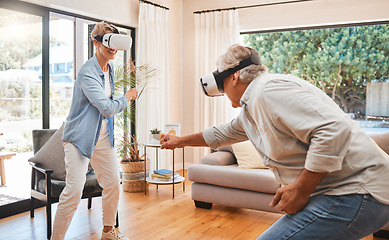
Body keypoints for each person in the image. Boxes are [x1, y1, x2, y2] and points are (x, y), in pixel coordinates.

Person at [161, 44, 389, 239]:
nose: (222, 92)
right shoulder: (252, 108)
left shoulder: (267, 91)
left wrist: (301, 189)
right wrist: (179, 141)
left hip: (358, 192)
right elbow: (221, 134)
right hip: (353, 194)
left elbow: (333, 130)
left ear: (233, 76)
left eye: (222, 85)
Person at [51, 22, 137, 240]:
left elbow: (106, 108)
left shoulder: (109, 69)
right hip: (79, 139)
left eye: (115, 42)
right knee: (73, 192)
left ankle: (108, 232)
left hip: (102, 137)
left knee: (112, 184)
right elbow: (107, 107)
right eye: (108, 41)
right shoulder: (88, 72)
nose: (113, 48)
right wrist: (127, 97)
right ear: (96, 42)